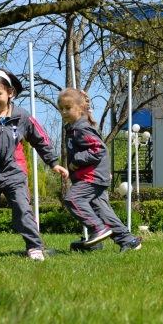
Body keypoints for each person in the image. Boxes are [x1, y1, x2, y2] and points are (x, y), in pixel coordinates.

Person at [0, 68, 69, 261]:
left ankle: (34, 246)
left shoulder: (22, 116)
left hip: (15, 172)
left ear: (10, 93)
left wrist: (53, 163)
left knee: (23, 210)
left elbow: (40, 138)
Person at [59, 88, 142, 252]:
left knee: (72, 199)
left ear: (80, 107)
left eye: (67, 108)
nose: (63, 112)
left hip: (91, 177)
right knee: (103, 211)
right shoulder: (74, 128)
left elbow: (99, 149)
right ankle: (128, 240)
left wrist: (76, 160)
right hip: (92, 176)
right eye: (61, 108)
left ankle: (97, 230)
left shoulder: (81, 128)